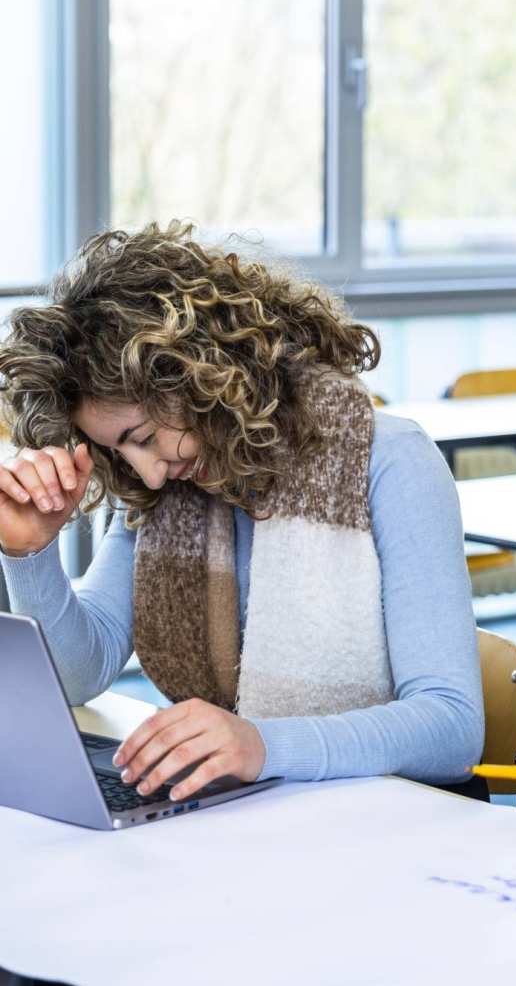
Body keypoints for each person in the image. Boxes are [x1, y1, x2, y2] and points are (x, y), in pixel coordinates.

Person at [0, 221, 484, 804]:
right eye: (117, 450)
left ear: (202, 372)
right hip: (248, 816)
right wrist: (30, 552)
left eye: (146, 435)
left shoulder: (392, 461)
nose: (148, 471)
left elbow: (453, 728)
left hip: (382, 822)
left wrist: (261, 746)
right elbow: (78, 675)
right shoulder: (162, 487)